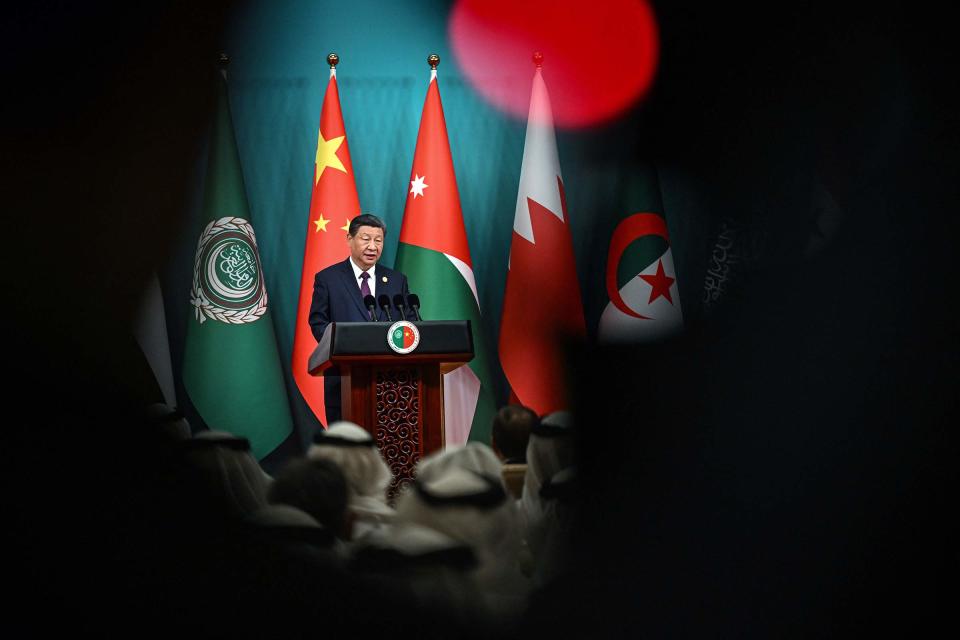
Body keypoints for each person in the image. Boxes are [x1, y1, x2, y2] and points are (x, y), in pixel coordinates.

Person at [308, 213, 411, 424]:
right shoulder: (328, 279)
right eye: (366, 239)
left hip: (391, 383)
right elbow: (318, 322)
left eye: (378, 240)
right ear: (349, 239)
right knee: (346, 450)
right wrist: (341, 347)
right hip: (344, 379)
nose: (373, 246)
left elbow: (409, 321)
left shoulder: (396, 280)